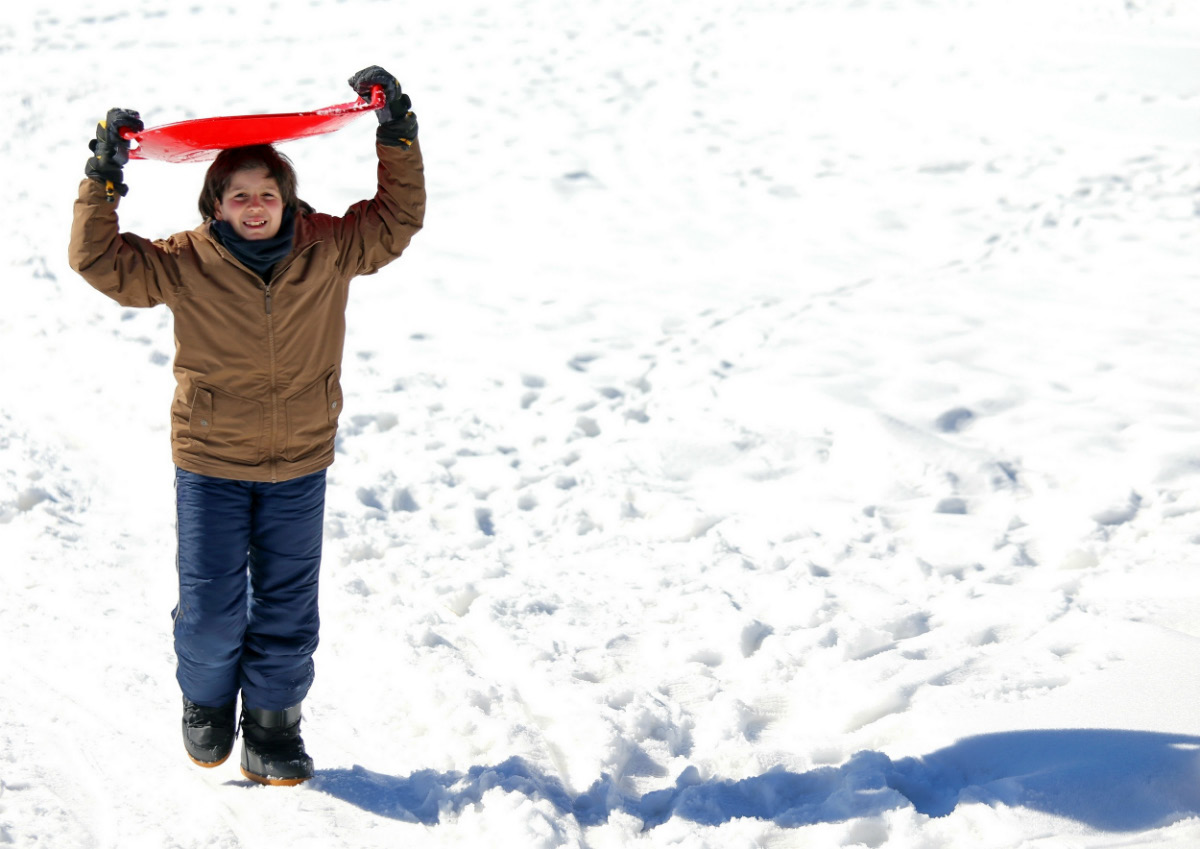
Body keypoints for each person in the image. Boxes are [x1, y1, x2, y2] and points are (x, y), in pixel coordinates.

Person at [68, 66, 426, 786]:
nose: (256, 205)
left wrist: (397, 136)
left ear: (285, 198)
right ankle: (205, 703)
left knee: (290, 606)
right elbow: (98, 259)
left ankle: (273, 730)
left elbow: (395, 220)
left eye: (268, 193)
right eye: (241, 195)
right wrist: (104, 178)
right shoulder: (183, 262)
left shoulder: (328, 247)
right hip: (211, 459)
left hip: (299, 458)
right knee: (210, 609)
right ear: (217, 203)